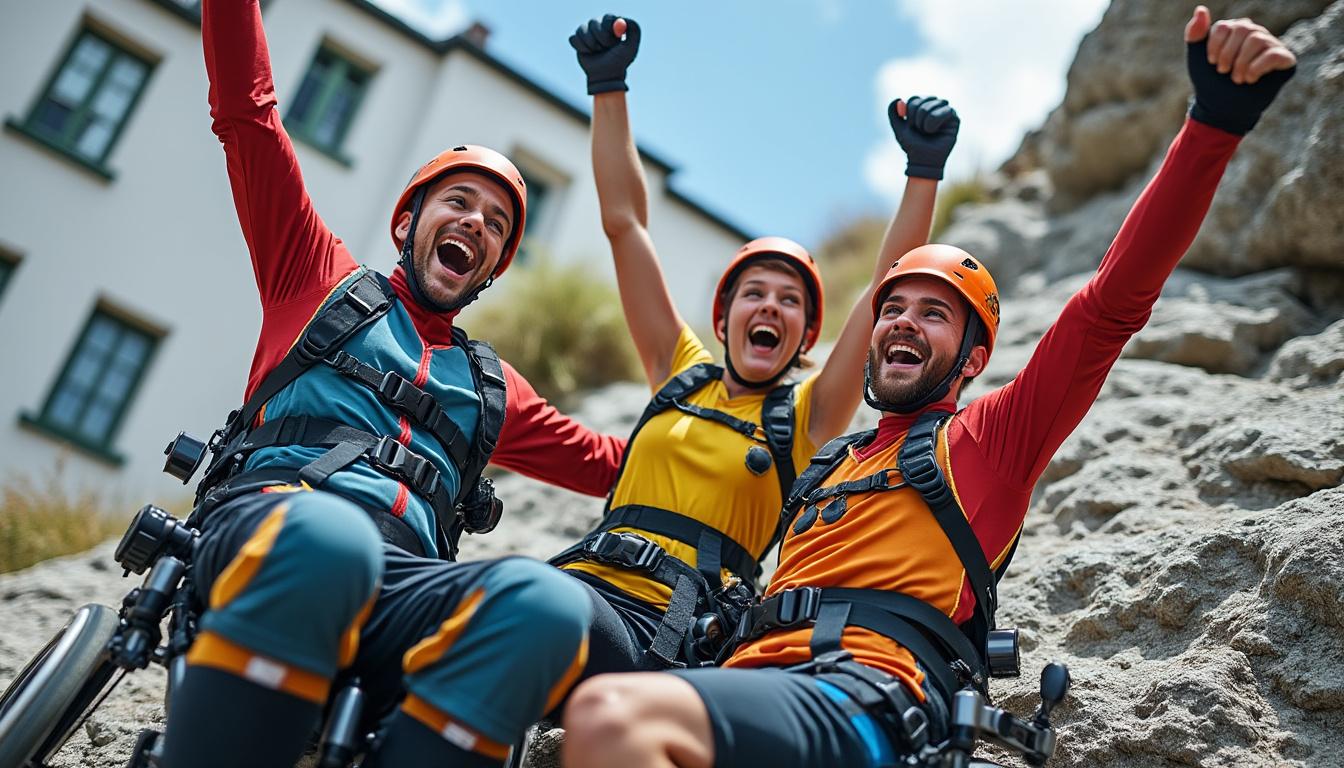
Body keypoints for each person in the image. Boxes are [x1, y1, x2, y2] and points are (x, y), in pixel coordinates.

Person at [561, 7, 1297, 767]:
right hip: (744, 691)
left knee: (613, 719)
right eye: (892, 309)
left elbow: (1108, 307)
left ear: (974, 359)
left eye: (934, 314)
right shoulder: (822, 469)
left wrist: (1212, 125)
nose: (903, 323)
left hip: (863, 697)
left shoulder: (989, 443)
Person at [159, 2, 629, 767]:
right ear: (407, 224)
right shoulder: (315, 278)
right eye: (459, 203)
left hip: (404, 591)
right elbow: (248, 115)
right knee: (333, 542)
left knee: (544, 606)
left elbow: (617, 466)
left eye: (497, 224)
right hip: (275, 529)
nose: (476, 224)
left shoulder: (492, 389)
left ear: (493, 268)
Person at [550, 13, 962, 676]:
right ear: (723, 318)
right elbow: (625, 225)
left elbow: (884, 287)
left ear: (805, 336)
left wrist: (923, 170)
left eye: (790, 300)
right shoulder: (677, 371)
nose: (770, 305)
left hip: (670, 630)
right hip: (580, 584)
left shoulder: (805, 415)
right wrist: (608, 86)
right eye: (755, 292)